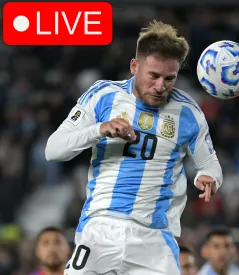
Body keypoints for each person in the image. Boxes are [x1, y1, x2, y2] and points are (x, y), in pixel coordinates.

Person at [45, 21, 223, 274]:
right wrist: (99, 129)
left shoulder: (189, 112)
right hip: (100, 228)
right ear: (134, 66)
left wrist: (210, 176)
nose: (161, 86)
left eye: (169, 78)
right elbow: (53, 150)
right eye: (153, 75)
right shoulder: (103, 95)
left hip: (155, 238)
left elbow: (209, 163)